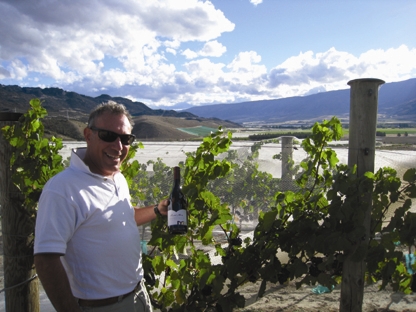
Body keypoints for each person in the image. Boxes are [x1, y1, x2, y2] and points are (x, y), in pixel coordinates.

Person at [34, 101, 168, 312]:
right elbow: (45, 259)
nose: (118, 146)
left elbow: (123, 217)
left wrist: (156, 210)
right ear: (88, 135)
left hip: (138, 297)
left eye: (126, 139)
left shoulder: (117, 178)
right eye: (108, 136)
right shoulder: (62, 189)